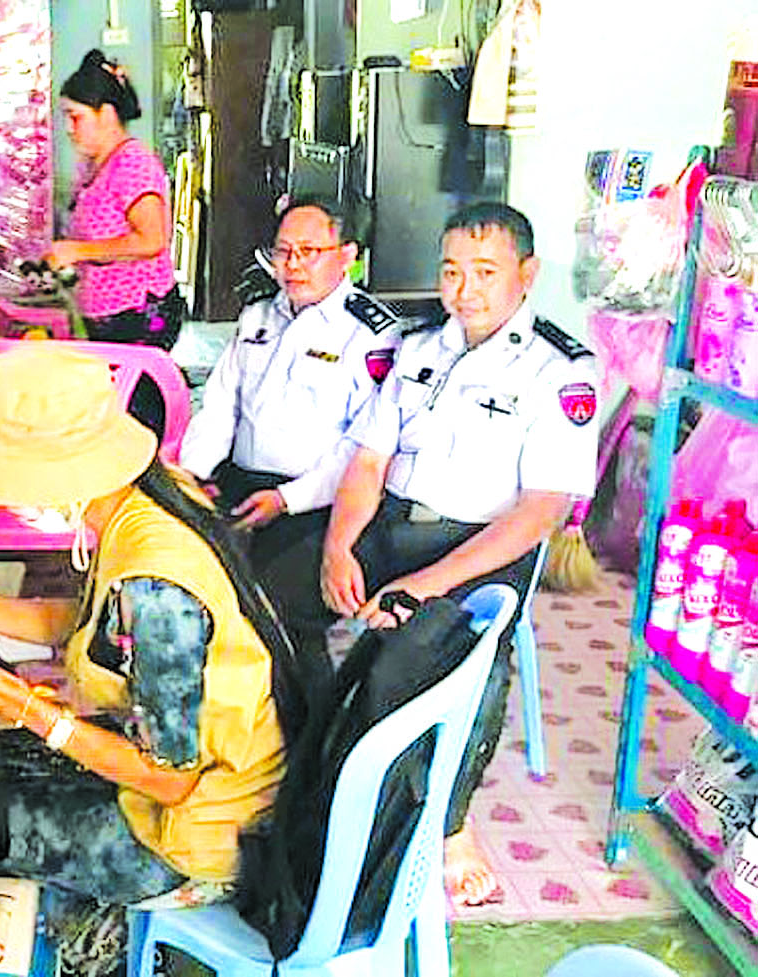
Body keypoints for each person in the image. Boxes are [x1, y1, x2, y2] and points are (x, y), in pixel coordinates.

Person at [0, 345, 312, 961]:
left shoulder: (155, 588)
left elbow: (169, 780)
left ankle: (51, 944)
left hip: (194, 838)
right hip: (186, 782)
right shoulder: (145, 501)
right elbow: (84, 624)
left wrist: (17, 702)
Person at [260, 202, 599, 906]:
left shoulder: (560, 370)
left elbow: (540, 510)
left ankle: (449, 821)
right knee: (269, 602)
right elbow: (367, 460)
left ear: (526, 274)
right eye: (451, 272)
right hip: (389, 527)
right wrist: (337, 547)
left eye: (485, 273)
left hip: (479, 548)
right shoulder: (418, 348)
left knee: (454, 657)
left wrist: (423, 584)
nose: (463, 290)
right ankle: (312, 750)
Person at [180, 195, 399, 589]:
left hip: (314, 502)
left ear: (347, 255)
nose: (293, 265)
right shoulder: (257, 317)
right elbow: (219, 407)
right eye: (282, 252)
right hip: (238, 484)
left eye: (309, 252)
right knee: (184, 570)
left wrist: (287, 499)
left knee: (269, 593)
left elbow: (361, 449)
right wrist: (192, 476)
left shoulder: (372, 334)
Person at [47, 49, 185, 436]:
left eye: (76, 117)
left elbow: (152, 239)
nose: (69, 128)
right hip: (105, 318)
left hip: (139, 316)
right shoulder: (92, 165)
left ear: (106, 114)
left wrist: (79, 251)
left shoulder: (133, 165)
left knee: (136, 423)